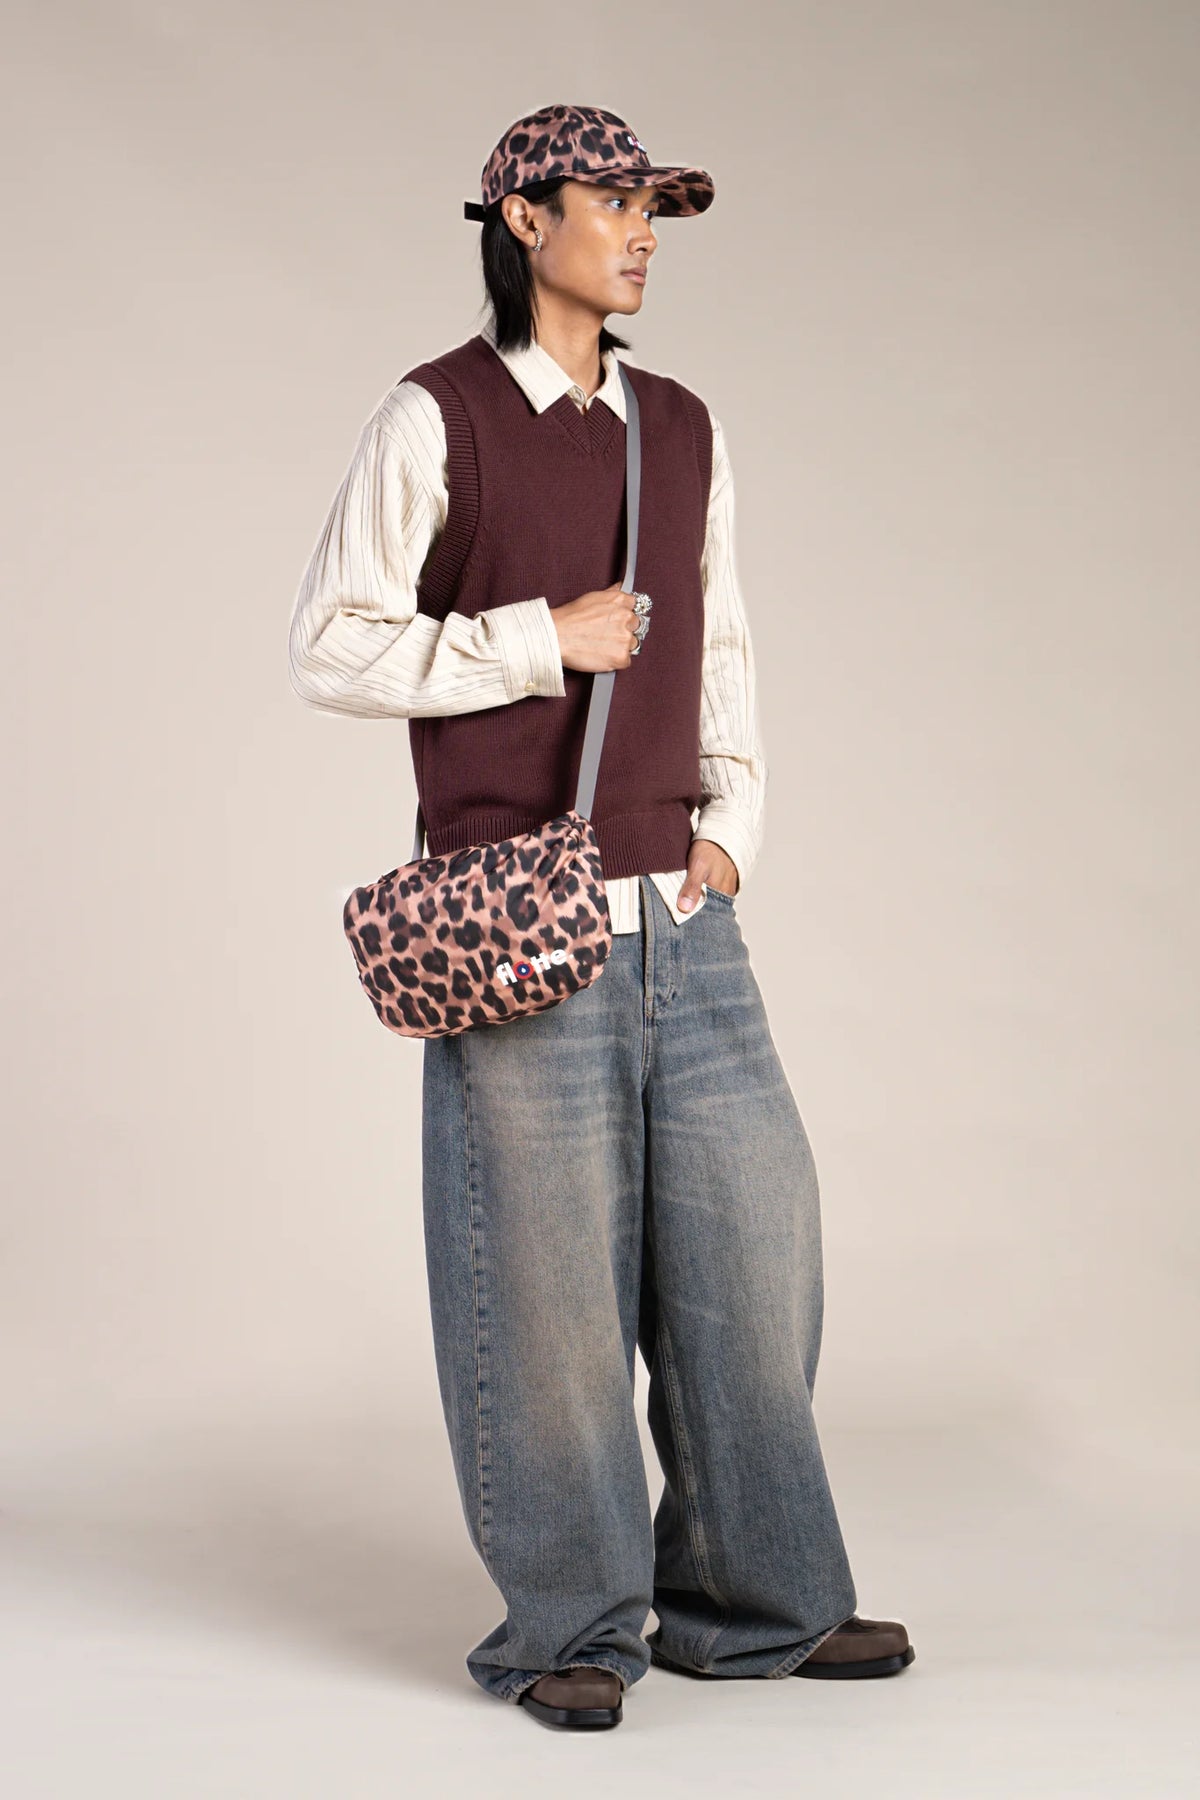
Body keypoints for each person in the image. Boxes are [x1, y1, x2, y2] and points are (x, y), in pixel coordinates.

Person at [289, 102, 914, 1733]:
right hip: (519, 919)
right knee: (547, 1297)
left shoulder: (682, 425)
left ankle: (752, 1603)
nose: (641, 233)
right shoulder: (436, 418)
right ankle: (569, 1625)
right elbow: (328, 643)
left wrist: (731, 836)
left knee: (752, 1258)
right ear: (524, 220)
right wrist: (533, 639)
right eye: (614, 202)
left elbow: (722, 644)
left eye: (656, 210)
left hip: (679, 915)